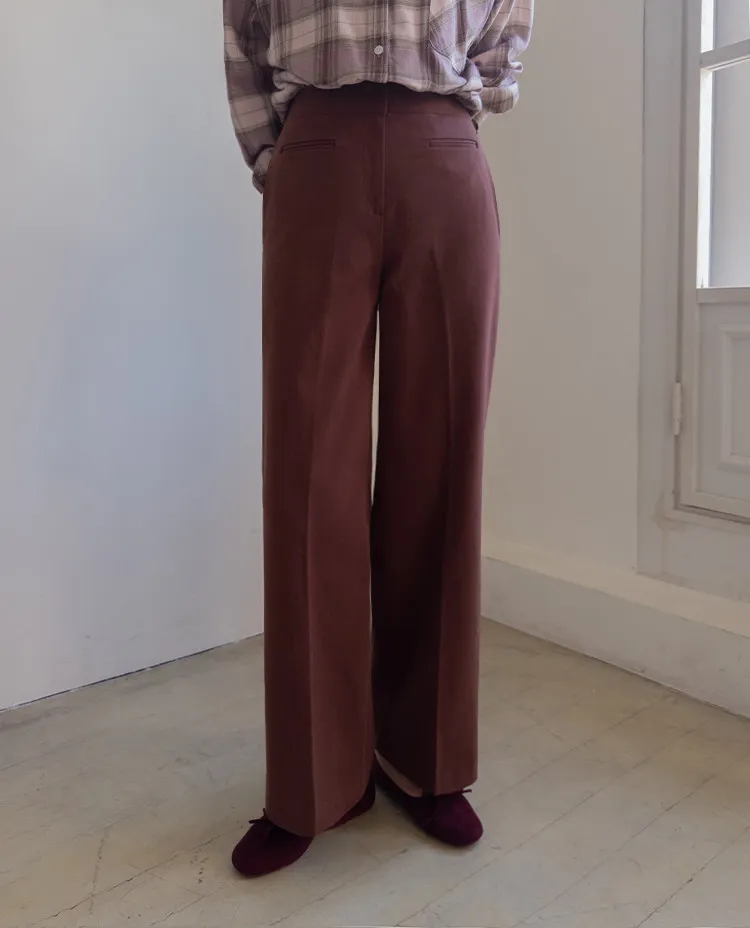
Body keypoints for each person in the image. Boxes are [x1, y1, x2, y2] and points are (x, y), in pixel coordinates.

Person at [223, 0, 533, 877]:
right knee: (307, 469)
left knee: (441, 456)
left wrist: (449, 108)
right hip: (317, 150)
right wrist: (282, 160)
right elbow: (243, 41)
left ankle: (425, 760)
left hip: (445, 147)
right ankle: (315, 780)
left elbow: (505, 44)